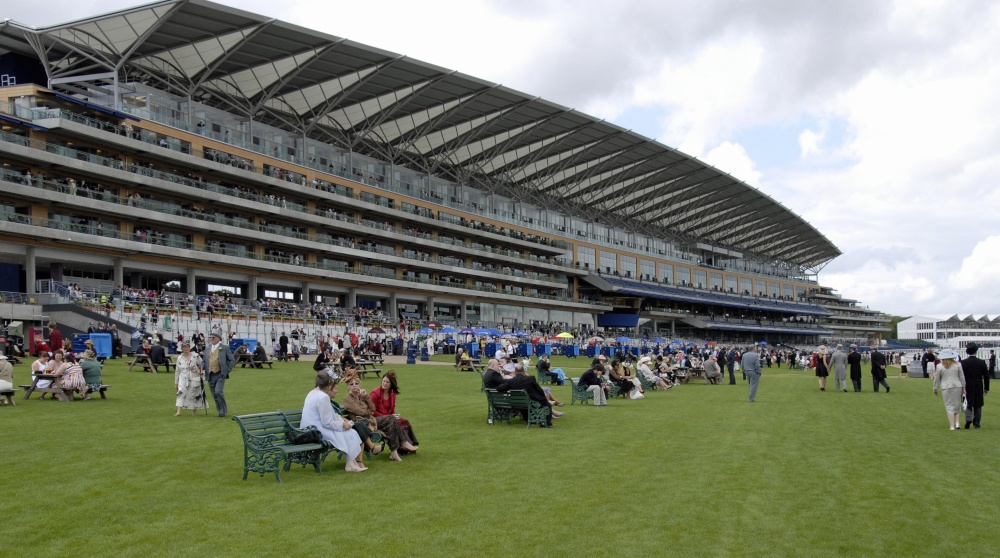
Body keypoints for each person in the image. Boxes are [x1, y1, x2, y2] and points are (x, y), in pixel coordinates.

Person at [343, 372, 417, 461]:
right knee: (391, 419)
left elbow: (372, 408)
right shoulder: (348, 399)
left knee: (394, 422)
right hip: (363, 424)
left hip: (371, 420)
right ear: (348, 386)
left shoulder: (361, 396)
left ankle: (394, 452)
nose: (355, 386)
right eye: (351, 384)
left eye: (357, 383)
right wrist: (368, 411)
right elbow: (362, 412)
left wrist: (366, 397)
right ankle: (403, 442)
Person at [300, 372, 366, 472]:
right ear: (328, 385)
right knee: (350, 433)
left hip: (309, 428)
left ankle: (351, 463)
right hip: (316, 431)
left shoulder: (312, 393)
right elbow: (327, 422)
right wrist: (343, 425)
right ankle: (350, 464)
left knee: (350, 432)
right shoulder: (323, 397)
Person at [370, 371, 419, 447]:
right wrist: (387, 416)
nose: (385, 383)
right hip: (377, 420)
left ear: (391, 384)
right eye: (384, 381)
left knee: (404, 422)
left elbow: (392, 409)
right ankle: (404, 446)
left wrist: (393, 415)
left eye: (387, 382)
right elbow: (371, 411)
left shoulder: (392, 394)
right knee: (396, 424)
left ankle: (411, 443)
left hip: (389, 418)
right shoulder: (375, 394)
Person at [932, 349, 965, 430]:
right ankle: (957, 423)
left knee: (949, 405)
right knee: (957, 404)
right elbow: (962, 377)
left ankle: (952, 426)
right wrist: (964, 387)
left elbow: (936, 378)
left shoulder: (939, 366)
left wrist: (935, 388)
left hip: (946, 387)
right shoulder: (958, 365)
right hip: (957, 386)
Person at [205, 332, 234, 417]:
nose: (211, 339)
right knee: (214, 394)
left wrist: (226, 370)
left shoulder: (224, 348)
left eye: (213, 337)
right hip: (210, 374)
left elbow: (231, 360)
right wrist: (201, 368)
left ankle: (223, 411)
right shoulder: (207, 349)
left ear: (218, 339)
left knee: (218, 392)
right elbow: (204, 361)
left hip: (220, 374)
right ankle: (220, 410)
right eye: (210, 338)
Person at [961, 343, 990, 429]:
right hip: (978, 385)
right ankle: (976, 423)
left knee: (968, 403)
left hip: (967, 385)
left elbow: (961, 375)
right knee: (978, 404)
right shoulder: (981, 362)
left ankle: (968, 418)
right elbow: (986, 376)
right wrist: (986, 388)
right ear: (976, 351)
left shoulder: (963, 362)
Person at [174, 341, 206, 416]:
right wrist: (176, 382)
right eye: (184, 347)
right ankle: (179, 411)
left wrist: (195, 369)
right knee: (181, 392)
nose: (186, 348)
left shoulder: (195, 356)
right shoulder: (179, 358)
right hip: (183, 378)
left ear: (189, 347)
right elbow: (177, 371)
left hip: (193, 377)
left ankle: (194, 412)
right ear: (182, 348)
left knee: (193, 393)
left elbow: (202, 365)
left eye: (187, 347)